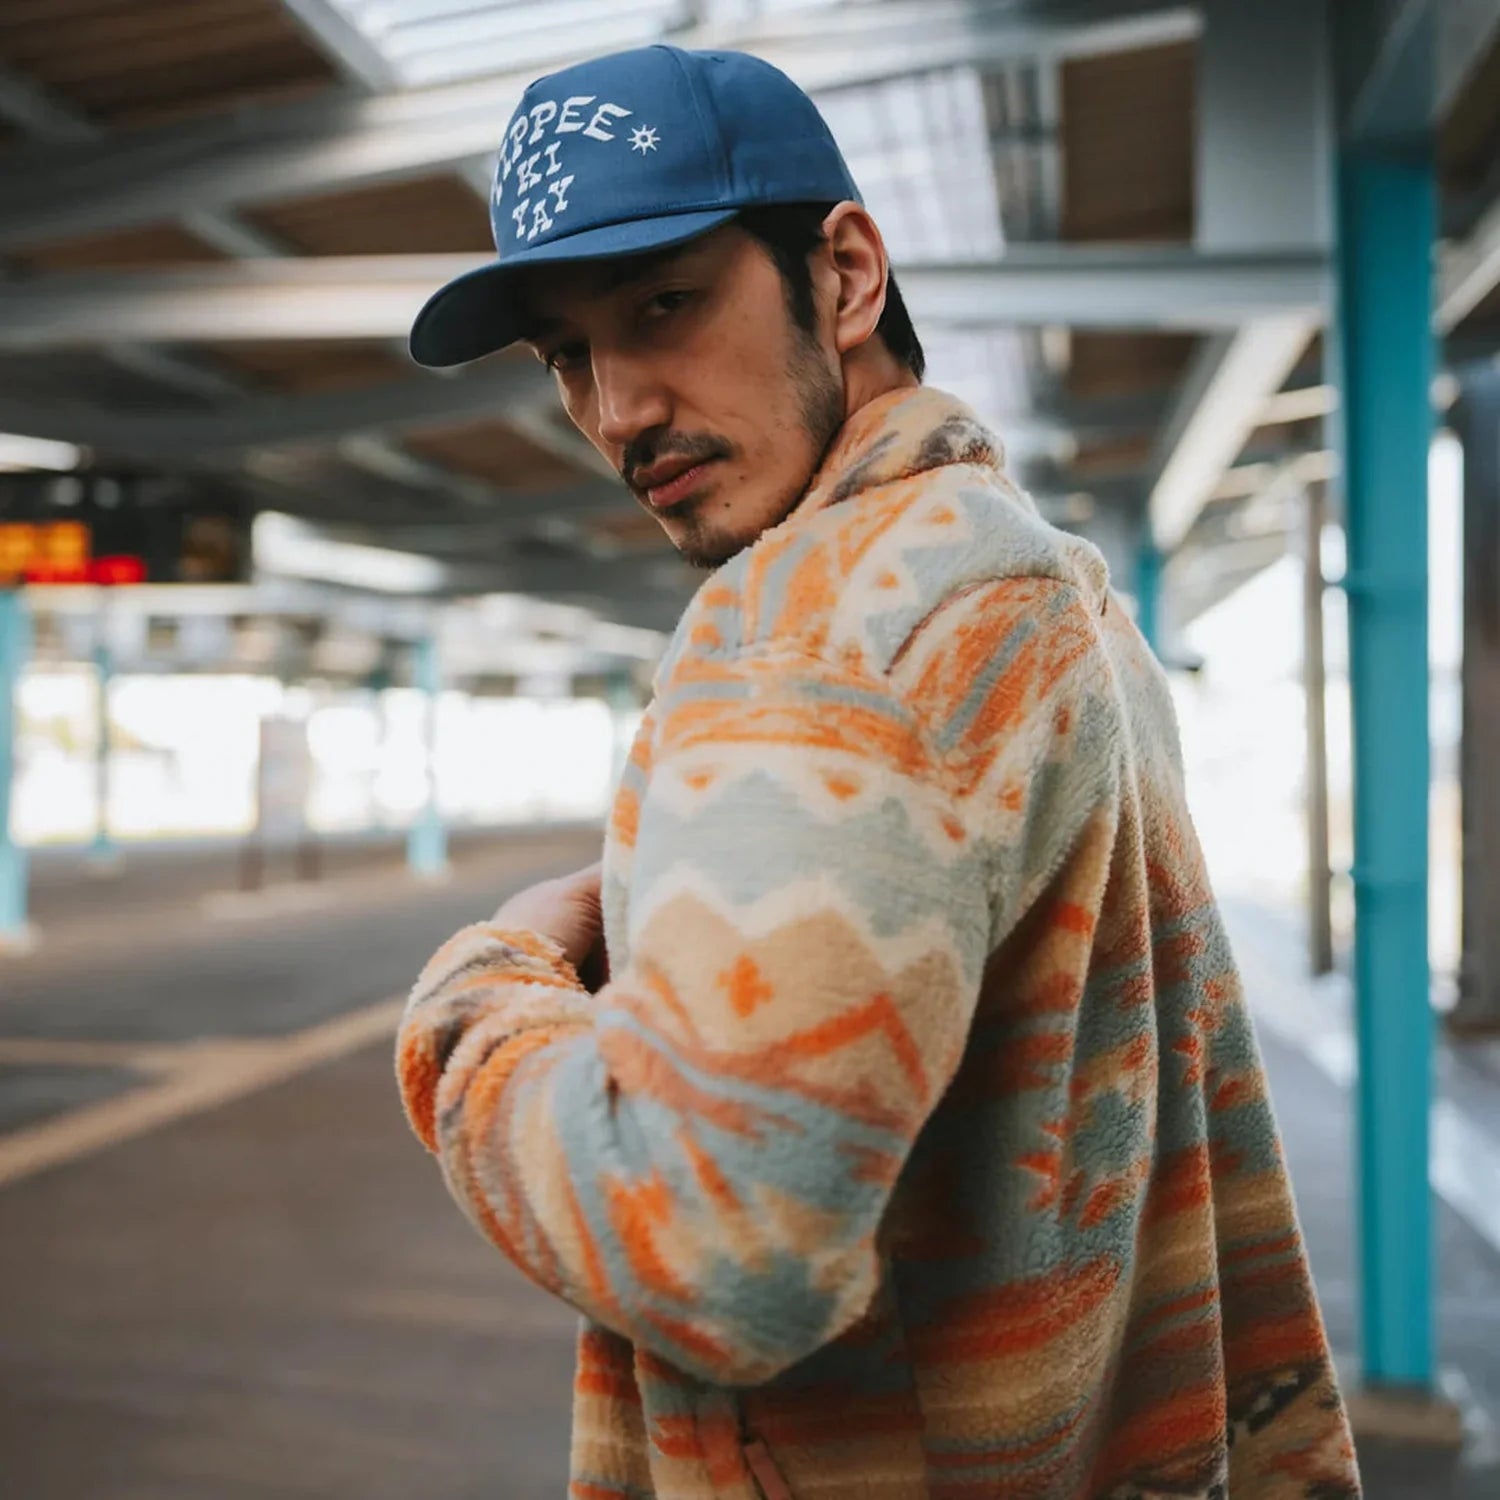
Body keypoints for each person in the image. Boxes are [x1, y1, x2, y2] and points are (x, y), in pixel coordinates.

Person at [395, 43, 1360, 1500]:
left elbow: (715, 1251)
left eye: (663, 305)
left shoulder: (812, 630)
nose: (618, 410)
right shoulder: (1053, 594)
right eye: (569, 356)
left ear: (845, 274)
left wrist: (484, 992)